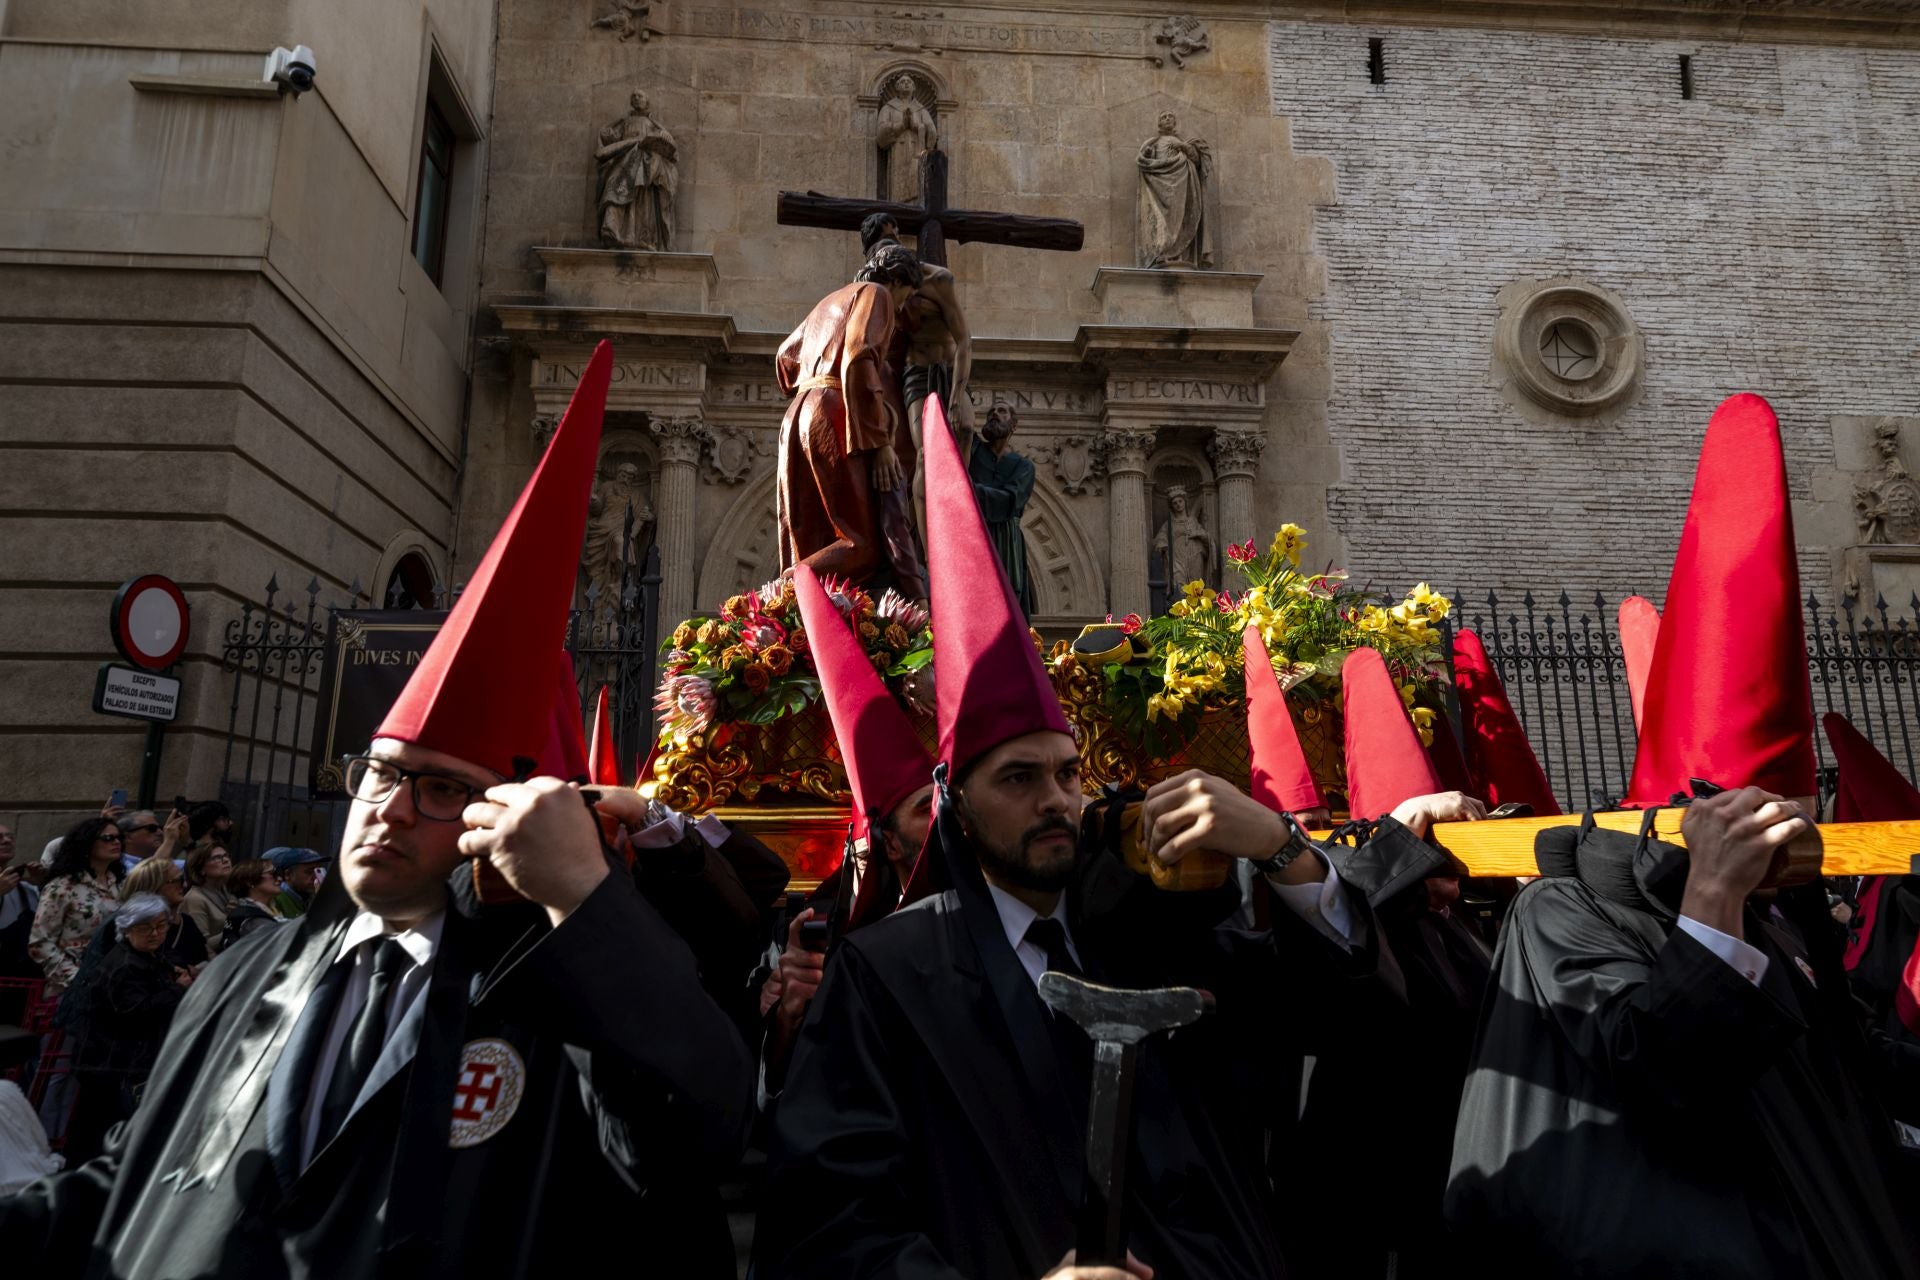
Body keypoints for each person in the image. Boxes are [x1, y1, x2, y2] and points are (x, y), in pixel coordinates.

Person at [0, 340, 755, 1280]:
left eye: (442, 788)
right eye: (382, 772)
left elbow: (696, 1135)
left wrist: (584, 901)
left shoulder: (563, 1004)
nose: (390, 809)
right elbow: (135, 1177)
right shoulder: (246, 970)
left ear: (505, 816)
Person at [755, 398, 1461, 1279]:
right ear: (956, 804)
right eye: (1018, 779)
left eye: (1067, 773)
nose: (1056, 800)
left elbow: (1360, 1023)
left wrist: (1283, 850)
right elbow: (831, 1228)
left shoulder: (1154, 935)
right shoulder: (890, 976)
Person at [758, 563, 937, 1095]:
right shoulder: (809, 932)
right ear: (884, 837)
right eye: (925, 808)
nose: (942, 821)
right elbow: (776, 1097)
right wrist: (788, 1016)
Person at [776, 242, 926, 598]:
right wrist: (881, 443)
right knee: (860, 548)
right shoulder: (876, 293)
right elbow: (859, 357)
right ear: (896, 278)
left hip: (798, 412)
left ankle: (793, 598)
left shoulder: (827, 303)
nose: (901, 308)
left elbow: (784, 360)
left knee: (813, 539)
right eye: (905, 296)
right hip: (833, 407)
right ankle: (784, 588)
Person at [63, 895, 191, 1166]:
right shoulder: (125, 964)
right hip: (109, 1063)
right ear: (127, 929)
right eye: (146, 928)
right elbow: (136, 1011)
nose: (156, 933)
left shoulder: (145, 956)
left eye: (161, 926)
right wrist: (176, 989)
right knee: (101, 1132)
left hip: (116, 1060)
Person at [28, 819, 123, 998]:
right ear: (87, 843)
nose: (116, 842)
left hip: (112, 982)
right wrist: (77, 979)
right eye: (108, 838)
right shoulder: (62, 886)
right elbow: (40, 943)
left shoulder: (118, 885)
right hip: (73, 988)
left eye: (120, 838)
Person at [969, 402, 1038, 619]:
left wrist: (969, 489)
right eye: (990, 412)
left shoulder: (1023, 466)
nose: (994, 415)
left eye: (1001, 411)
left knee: (1005, 605)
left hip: (1006, 543)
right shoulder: (972, 449)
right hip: (973, 534)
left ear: (1013, 425)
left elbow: (1010, 500)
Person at [118, 856, 206, 971]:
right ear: (152, 886)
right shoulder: (128, 926)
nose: (184, 886)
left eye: (182, 879)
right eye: (175, 881)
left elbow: (204, 958)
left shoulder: (187, 922)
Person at [179, 845, 233, 956]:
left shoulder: (228, 890)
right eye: (217, 858)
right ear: (201, 869)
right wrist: (235, 927)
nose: (226, 860)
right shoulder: (194, 899)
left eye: (226, 856)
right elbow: (202, 943)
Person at [221, 858, 286, 948]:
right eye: (272, 874)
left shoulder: (267, 909)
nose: (279, 878)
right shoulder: (252, 919)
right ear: (250, 881)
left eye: (279, 873)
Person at [269, 846, 327, 919]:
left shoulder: (308, 898)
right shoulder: (274, 899)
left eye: (318, 871)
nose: (316, 877)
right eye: (308, 872)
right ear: (288, 874)